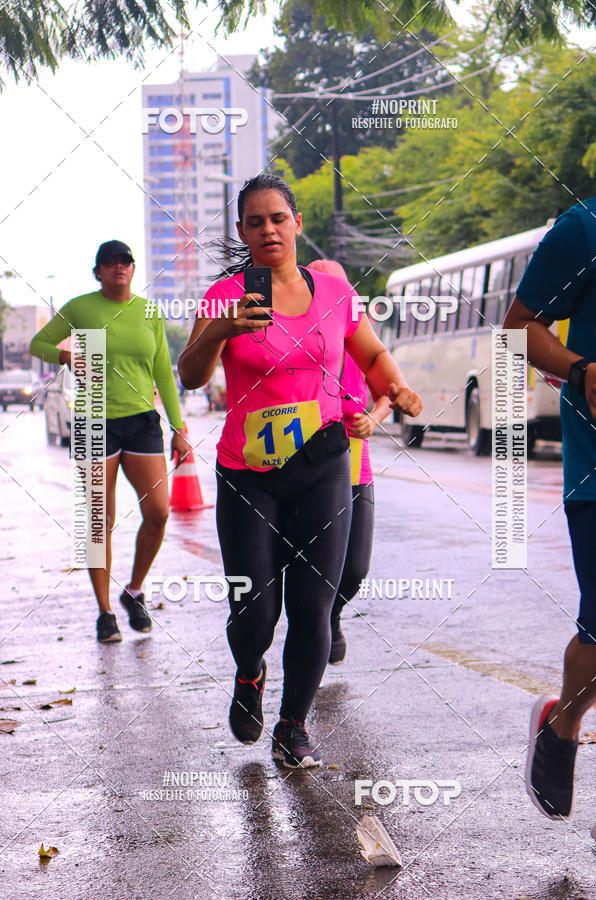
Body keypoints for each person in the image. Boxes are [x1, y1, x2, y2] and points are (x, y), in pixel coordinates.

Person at [178, 174, 422, 768]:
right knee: (256, 613)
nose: (268, 230)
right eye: (255, 222)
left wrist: (397, 386)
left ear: (297, 223)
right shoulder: (224, 296)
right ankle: (249, 671)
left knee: (313, 606)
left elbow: (370, 353)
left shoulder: (334, 292)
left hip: (323, 464)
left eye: (278, 219)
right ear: (242, 232)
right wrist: (221, 329)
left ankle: (293, 726)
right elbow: (190, 375)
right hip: (250, 472)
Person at [30, 240, 188, 643]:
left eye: (126, 262)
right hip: (92, 420)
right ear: (97, 271)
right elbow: (38, 344)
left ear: (133, 270)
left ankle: (133, 591)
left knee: (159, 511)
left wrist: (179, 427)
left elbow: (163, 374)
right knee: (100, 521)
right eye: (110, 263)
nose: (119, 268)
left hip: (141, 422)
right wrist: (67, 357)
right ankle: (104, 613)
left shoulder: (148, 311)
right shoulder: (80, 307)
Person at [504, 198, 596, 834]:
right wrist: (581, 369)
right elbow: (519, 327)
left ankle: (562, 724)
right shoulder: (586, 228)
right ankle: (564, 723)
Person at [307, 260, 392, 664]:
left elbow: (389, 392)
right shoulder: (301, 343)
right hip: (310, 468)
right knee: (311, 568)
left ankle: (332, 614)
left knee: (355, 568)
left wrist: (371, 420)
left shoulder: (360, 340)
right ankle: (315, 624)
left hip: (357, 467)